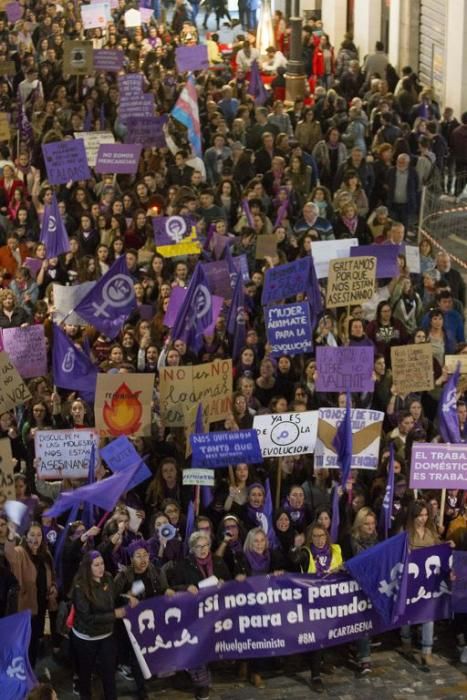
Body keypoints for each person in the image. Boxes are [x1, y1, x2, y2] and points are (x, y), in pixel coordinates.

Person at [71, 550, 135, 700]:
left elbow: (113, 599)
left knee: (109, 673)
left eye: (102, 564)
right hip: (86, 638)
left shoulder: (108, 578)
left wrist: (126, 599)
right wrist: (114, 615)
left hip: (107, 635)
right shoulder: (80, 587)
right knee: (86, 674)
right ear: (88, 567)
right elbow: (87, 617)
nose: (101, 568)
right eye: (96, 565)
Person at [5, 520, 57, 667]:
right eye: (32, 535)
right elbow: (10, 554)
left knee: (34, 641)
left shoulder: (45, 554)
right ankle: (22, 673)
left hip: (41, 606)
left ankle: (31, 672)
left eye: (39, 535)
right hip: (25, 608)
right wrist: (10, 536)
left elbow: (52, 575)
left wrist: (52, 586)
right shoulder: (21, 553)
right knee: (24, 643)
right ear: (26, 537)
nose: (36, 538)